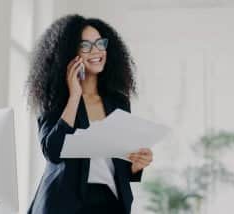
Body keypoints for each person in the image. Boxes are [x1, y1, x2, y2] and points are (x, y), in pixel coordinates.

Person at [25, 14, 153, 214]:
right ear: (70, 54)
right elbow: (53, 151)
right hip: (65, 206)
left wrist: (136, 166)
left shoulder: (118, 102)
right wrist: (75, 96)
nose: (96, 51)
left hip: (110, 203)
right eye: (86, 46)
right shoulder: (55, 102)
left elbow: (118, 164)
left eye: (100, 43)